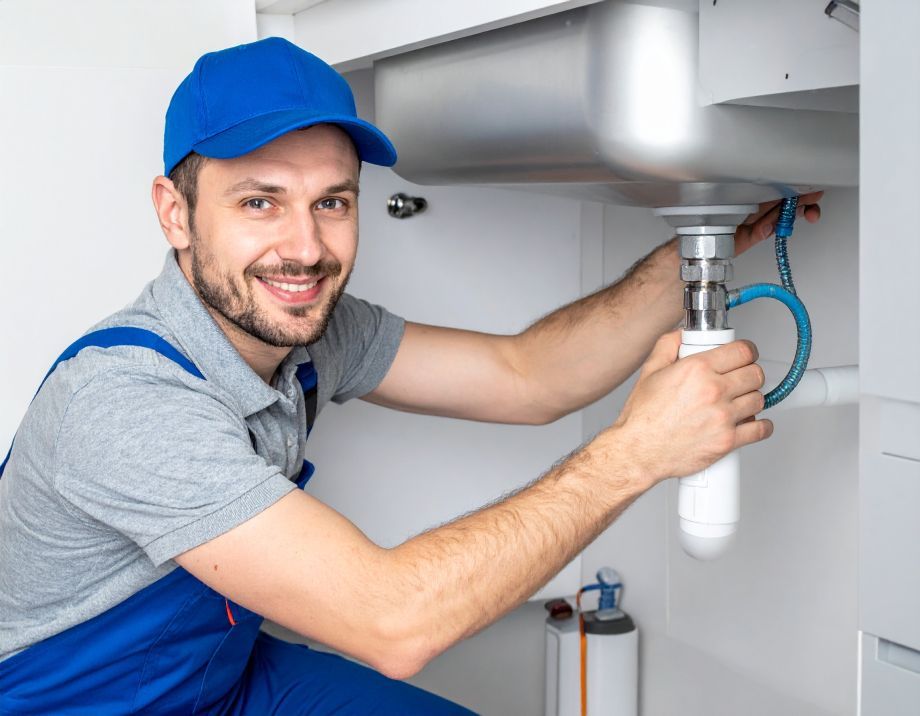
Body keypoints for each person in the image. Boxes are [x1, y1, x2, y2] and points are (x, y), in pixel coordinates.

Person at [0, 37, 822, 714]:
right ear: (175, 214)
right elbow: (394, 622)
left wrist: (690, 256)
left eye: (333, 201)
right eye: (259, 202)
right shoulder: (123, 404)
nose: (306, 247)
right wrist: (636, 451)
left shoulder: (302, 328)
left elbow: (525, 375)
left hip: (221, 680)